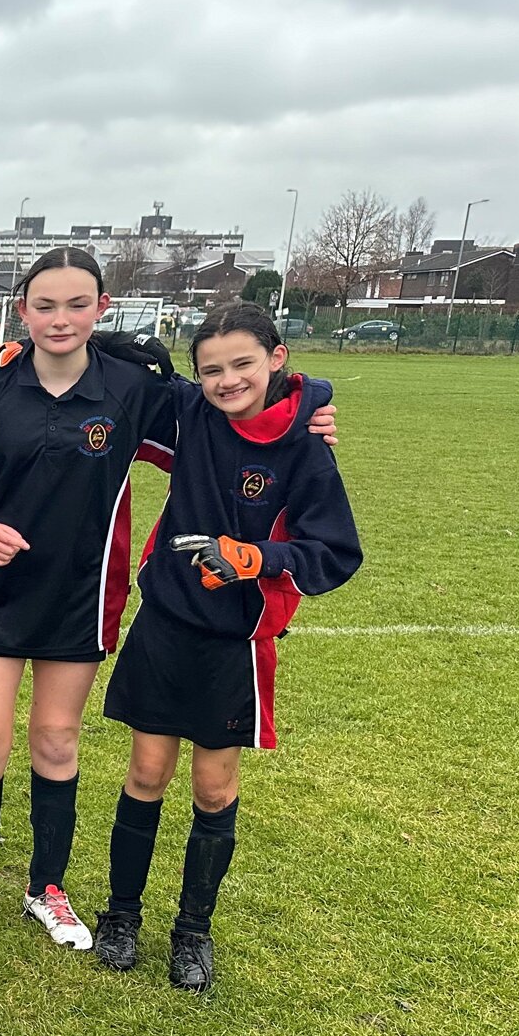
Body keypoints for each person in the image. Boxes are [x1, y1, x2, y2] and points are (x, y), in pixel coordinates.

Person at [0, 250, 338, 949]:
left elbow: (228, 420)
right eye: (45, 305)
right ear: (22, 310)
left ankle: (47, 888)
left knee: (57, 740)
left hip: (83, 597)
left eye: (76, 304)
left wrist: (307, 408)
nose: (60, 319)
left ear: (104, 306)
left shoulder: (132, 388)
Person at [96, 303, 360, 989]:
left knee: (213, 791)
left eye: (242, 363)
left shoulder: (306, 445)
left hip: (234, 643)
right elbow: (117, 380)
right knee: (145, 776)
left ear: (277, 358)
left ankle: (193, 931)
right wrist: (113, 337)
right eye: (210, 369)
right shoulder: (192, 416)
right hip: (166, 626)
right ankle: (122, 916)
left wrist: (257, 557)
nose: (226, 380)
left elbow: (335, 552)